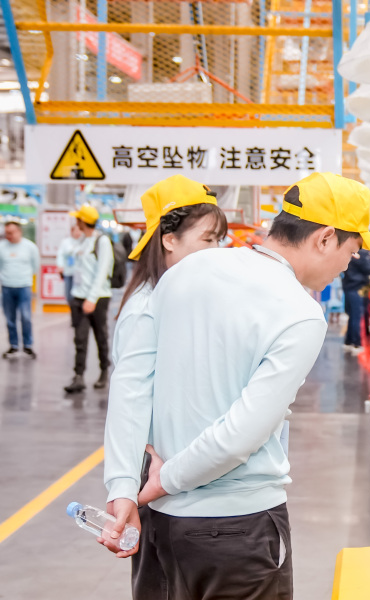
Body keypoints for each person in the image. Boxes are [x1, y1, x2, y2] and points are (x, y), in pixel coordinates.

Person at [102, 172, 370, 599]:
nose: (348, 263)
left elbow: (131, 383)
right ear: (325, 238)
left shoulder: (188, 270)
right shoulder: (300, 313)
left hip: (161, 523)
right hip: (238, 528)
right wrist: (164, 481)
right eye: (352, 250)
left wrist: (124, 486)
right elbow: (242, 434)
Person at [111, 175, 226, 600]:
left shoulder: (184, 299)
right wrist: (123, 487)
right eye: (208, 239)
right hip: (159, 468)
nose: (217, 250)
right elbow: (129, 401)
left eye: (220, 240)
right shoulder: (146, 307)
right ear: (169, 239)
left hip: (184, 465)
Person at [65, 204, 113, 393]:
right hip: (79, 297)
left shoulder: (102, 241)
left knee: (101, 336)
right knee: (80, 338)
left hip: (98, 298)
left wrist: (92, 298)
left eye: (78, 218)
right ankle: (78, 376)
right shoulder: (83, 241)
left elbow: (102, 272)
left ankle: (104, 372)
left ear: (83, 221)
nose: (75, 221)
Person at [0, 221, 40, 359]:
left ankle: (28, 345)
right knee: (10, 318)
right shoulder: (2, 247)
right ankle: (14, 345)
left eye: (11, 233)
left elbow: (35, 266)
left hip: (24, 287)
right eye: (7, 233)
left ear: (19, 231)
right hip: (7, 287)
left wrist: (26, 278)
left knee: (26, 317)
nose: (9, 236)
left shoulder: (30, 247)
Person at [341, 248, 370, 353]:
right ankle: (356, 344)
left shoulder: (359, 254)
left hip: (350, 287)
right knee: (356, 316)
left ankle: (348, 342)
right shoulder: (363, 255)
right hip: (355, 288)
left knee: (352, 316)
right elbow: (369, 269)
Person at [56, 223, 83, 313]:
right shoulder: (65, 242)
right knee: (68, 294)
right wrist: (60, 266)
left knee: (79, 294)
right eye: (76, 230)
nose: (78, 233)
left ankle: (77, 312)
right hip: (69, 272)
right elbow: (60, 255)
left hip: (80, 274)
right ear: (72, 231)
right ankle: (73, 310)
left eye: (80, 230)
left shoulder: (83, 241)